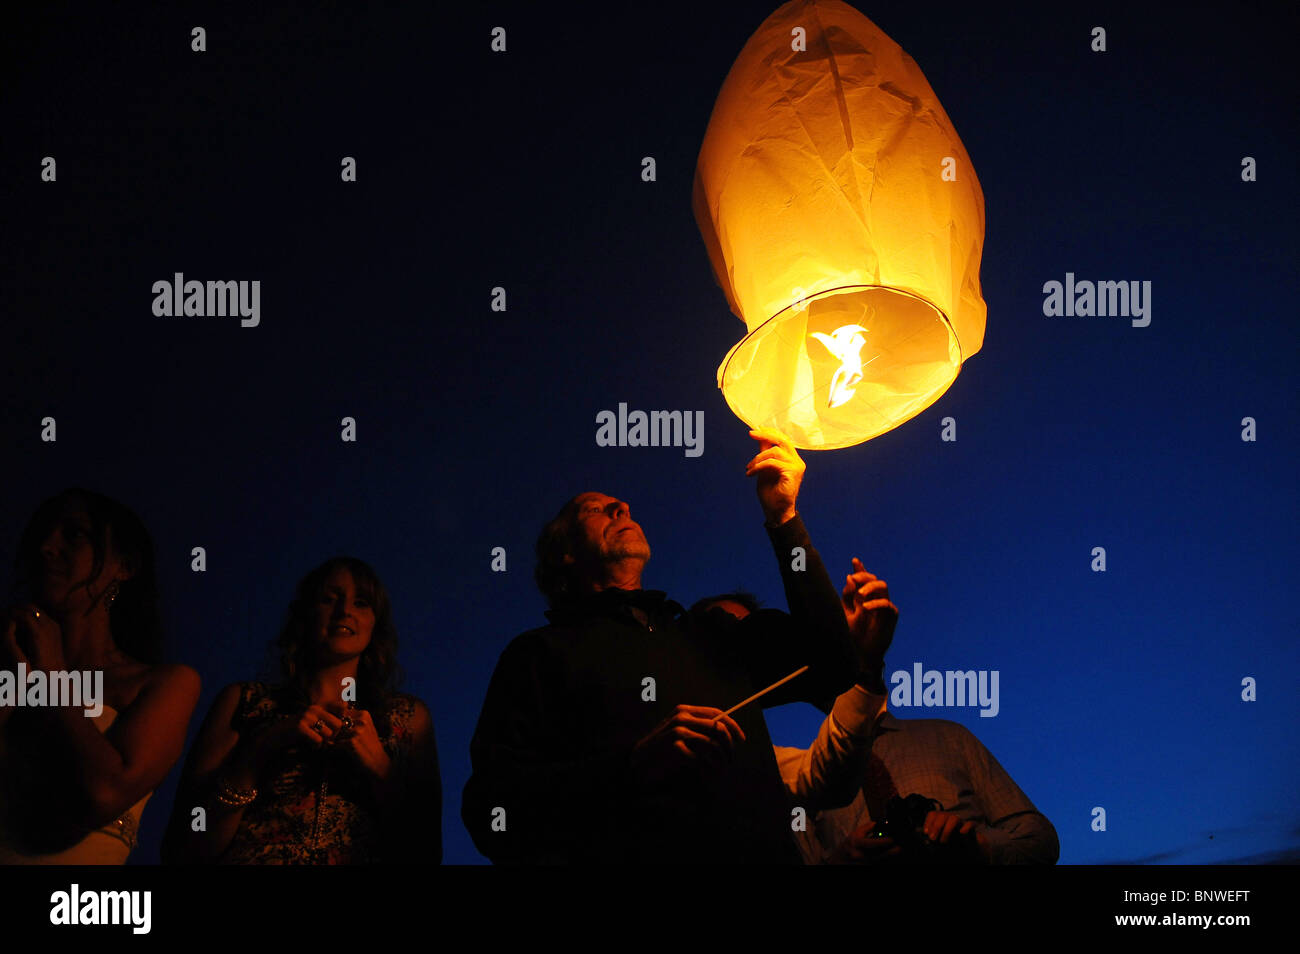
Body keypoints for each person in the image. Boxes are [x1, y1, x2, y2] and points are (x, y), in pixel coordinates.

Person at [461, 428, 859, 864]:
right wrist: (632, 768)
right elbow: (491, 813)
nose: (621, 507)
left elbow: (834, 667)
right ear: (565, 554)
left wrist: (784, 520)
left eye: (623, 505)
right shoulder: (536, 655)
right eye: (594, 509)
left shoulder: (711, 633)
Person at [718, 567, 1059, 865]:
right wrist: (841, 860)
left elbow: (1039, 839)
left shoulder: (950, 738)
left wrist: (979, 845)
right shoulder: (799, 779)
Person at [162, 556, 441, 864]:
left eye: (361, 602)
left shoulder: (407, 718)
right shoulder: (244, 703)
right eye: (328, 599)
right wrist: (260, 751)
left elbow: (426, 851)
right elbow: (184, 847)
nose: (344, 610)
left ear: (376, 624)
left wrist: (380, 766)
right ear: (305, 614)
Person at [0, 488, 200, 864]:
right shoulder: (10, 667)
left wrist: (53, 677)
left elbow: (104, 793)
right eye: (41, 534)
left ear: (124, 565)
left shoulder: (163, 683)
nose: (47, 547)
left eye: (74, 535)